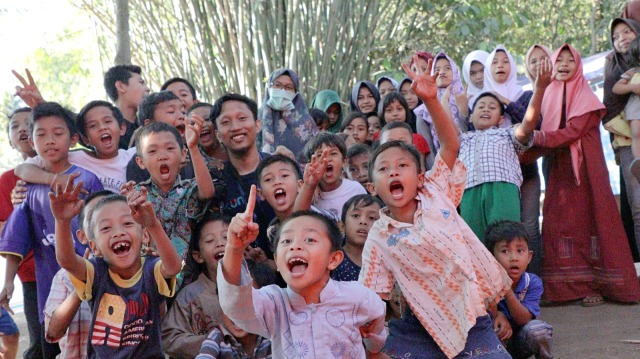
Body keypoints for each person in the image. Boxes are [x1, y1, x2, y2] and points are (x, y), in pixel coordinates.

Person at [360, 57, 511, 358]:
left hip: (474, 315)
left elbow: (451, 145)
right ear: (372, 187)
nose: (393, 172)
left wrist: (430, 100)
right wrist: (370, 344)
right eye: (384, 169)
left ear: (419, 177)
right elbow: (373, 295)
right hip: (422, 325)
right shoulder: (378, 236)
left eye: (402, 165)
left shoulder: (435, 191)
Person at [218, 186, 388, 358]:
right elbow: (235, 305)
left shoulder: (358, 297)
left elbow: (377, 325)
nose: (295, 246)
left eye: (309, 239)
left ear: (333, 259)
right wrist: (234, 248)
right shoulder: (274, 304)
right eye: (286, 240)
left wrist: (373, 345)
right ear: (277, 261)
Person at [532, 44, 640, 306]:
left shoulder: (587, 95)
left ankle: (596, 286)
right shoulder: (546, 95)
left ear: (578, 65)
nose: (565, 64)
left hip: (586, 170)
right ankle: (564, 289)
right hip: (558, 169)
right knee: (559, 222)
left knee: (593, 220)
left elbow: (573, 131)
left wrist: (536, 138)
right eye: (560, 60)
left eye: (571, 60)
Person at [0, 102, 104, 359]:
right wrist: (8, 282)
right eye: (41, 134)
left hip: (93, 284)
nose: (50, 140)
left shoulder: (88, 180)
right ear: (32, 141)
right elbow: (16, 238)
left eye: (58, 133)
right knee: (53, 346)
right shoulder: (29, 189)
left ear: (73, 140)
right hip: (49, 289)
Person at [51, 182, 181, 357]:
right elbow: (66, 260)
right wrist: (62, 221)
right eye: (106, 228)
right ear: (94, 246)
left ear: (144, 235)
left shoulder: (151, 268)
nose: (118, 232)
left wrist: (153, 224)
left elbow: (173, 267)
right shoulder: (96, 272)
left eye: (127, 223)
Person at [458, 53, 551, 243]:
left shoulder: (507, 133)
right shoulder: (463, 139)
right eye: (481, 106)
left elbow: (528, 124)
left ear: (501, 119)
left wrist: (539, 89)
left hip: (504, 188)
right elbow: (444, 132)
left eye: (492, 107)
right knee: (474, 245)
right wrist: (432, 98)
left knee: (506, 243)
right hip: (469, 191)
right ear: (470, 117)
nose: (485, 109)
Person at [131, 120, 214, 263]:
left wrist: (193, 147)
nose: (162, 156)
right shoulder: (137, 195)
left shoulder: (190, 189)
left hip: (188, 276)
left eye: (170, 148)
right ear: (140, 162)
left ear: (183, 154)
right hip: (150, 273)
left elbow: (207, 192)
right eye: (152, 151)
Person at [44, 190, 111, 359]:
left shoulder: (137, 271)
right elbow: (53, 332)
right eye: (95, 218)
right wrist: (81, 285)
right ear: (82, 236)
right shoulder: (65, 276)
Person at [15, 101, 137, 193]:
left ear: (122, 128)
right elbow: (22, 169)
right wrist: (54, 180)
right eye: (93, 125)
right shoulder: (73, 157)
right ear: (84, 139)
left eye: (107, 121)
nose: (102, 127)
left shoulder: (134, 156)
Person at [210, 94, 277, 261]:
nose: (235, 127)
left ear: (257, 124)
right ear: (218, 134)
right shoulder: (214, 181)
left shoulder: (280, 167)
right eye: (226, 122)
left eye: (242, 118)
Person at [0, 107, 39, 359]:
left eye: (29, 123)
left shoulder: (71, 166)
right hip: (32, 274)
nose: (22, 128)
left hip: (79, 268)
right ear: (12, 141)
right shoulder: (6, 182)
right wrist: (19, 212)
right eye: (15, 126)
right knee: (41, 344)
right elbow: (4, 235)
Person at [162, 213, 229, 358]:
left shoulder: (254, 284)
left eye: (227, 237)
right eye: (210, 240)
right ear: (198, 256)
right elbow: (169, 337)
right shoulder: (190, 295)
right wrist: (211, 342)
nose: (220, 243)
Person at [486, 220, 553, 359]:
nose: (514, 258)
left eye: (520, 251)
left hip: (522, 341)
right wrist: (498, 314)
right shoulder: (485, 282)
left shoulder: (532, 282)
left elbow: (524, 319)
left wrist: (507, 290)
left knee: (539, 330)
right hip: (494, 343)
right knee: (491, 329)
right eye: (505, 251)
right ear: (491, 257)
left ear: (529, 257)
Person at [603, 17, 640, 261]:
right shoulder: (614, 71)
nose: (622, 38)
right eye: (616, 36)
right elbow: (607, 114)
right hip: (629, 145)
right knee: (638, 209)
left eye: (627, 31)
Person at [195, 259, 274, 359]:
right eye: (230, 302)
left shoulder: (274, 335)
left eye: (247, 302)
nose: (237, 311)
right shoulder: (218, 337)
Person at [126, 91, 193, 183]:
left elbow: (205, 192)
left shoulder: (192, 153)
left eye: (183, 112)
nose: (181, 116)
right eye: (171, 112)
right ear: (149, 125)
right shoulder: (139, 161)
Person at [414, 52, 466, 169]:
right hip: (439, 168)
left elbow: (467, 135)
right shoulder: (423, 110)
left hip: (466, 166)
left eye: (447, 68)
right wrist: (437, 171)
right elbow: (426, 146)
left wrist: (463, 111)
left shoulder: (464, 99)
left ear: (455, 72)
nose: (442, 72)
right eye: (437, 69)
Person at [259, 68, 318, 159]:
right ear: (269, 87)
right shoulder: (255, 118)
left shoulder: (307, 123)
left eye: (289, 87)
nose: (282, 90)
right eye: (277, 85)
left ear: (296, 92)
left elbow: (315, 153)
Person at [305, 132, 367, 219]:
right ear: (311, 164)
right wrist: (310, 188)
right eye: (320, 155)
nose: (327, 159)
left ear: (344, 162)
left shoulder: (355, 190)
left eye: (333, 153)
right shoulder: (308, 194)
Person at [331, 194, 382, 281]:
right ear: (342, 226)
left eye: (372, 217)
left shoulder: (386, 260)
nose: (363, 221)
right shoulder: (332, 259)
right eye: (356, 216)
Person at [103, 64, 150, 148]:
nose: (147, 89)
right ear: (121, 86)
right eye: (141, 83)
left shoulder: (148, 124)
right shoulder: (107, 131)